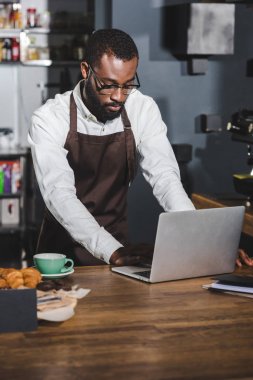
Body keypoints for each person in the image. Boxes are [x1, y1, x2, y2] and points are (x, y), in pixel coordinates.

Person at [31, 28, 247, 268]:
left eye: (128, 85)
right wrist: (110, 250)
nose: (119, 97)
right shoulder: (50, 118)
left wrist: (203, 243)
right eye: (109, 85)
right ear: (86, 70)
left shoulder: (142, 109)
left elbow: (165, 178)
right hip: (61, 258)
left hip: (119, 251)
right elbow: (59, 195)